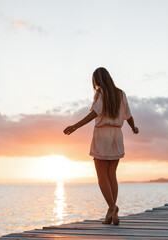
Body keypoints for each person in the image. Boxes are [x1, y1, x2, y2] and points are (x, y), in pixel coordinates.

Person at [63, 67, 139, 225]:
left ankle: (112, 207)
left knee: (102, 176)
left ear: (96, 80)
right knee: (112, 174)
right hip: (117, 135)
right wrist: (133, 128)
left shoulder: (100, 92)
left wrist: (75, 126)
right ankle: (110, 213)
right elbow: (128, 115)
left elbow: (95, 113)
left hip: (102, 135)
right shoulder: (121, 93)